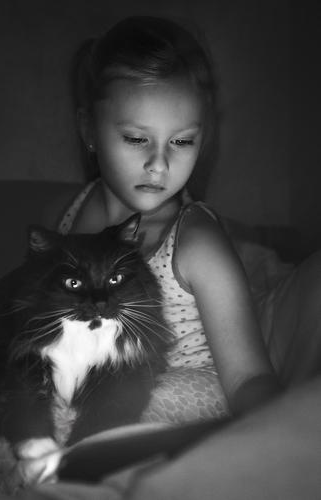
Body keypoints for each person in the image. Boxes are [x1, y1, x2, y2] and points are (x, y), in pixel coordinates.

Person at [50, 16, 284, 423]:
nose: (158, 164)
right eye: (136, 138)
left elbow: (249, 377)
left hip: (182, 399)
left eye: (181, 141)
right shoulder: (70, 215)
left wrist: (280, 435)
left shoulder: (196, 244)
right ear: (89, 129)